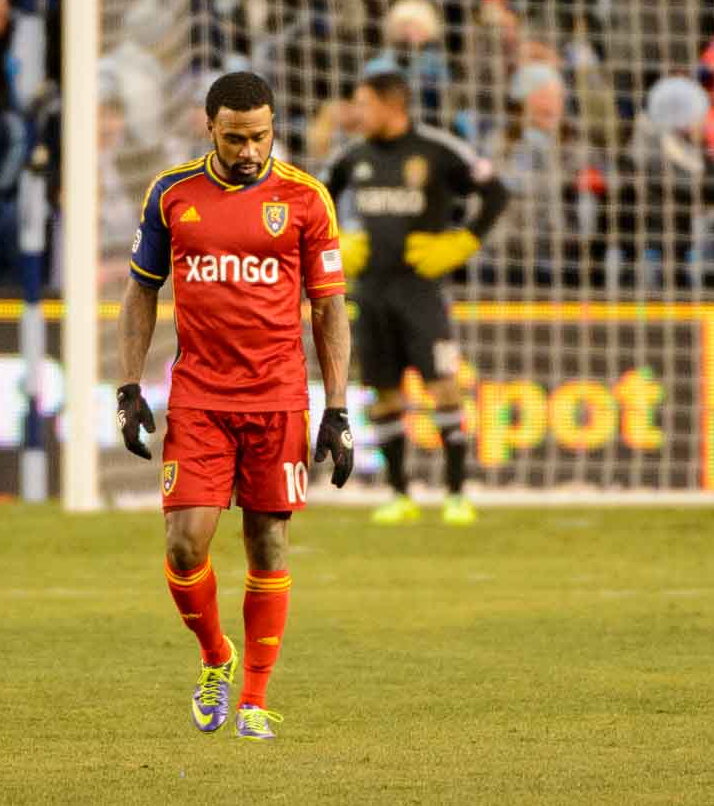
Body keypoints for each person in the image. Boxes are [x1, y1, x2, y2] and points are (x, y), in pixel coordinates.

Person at [116, 71, 354, 741]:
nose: (249, 150)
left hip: (278, 398)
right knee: (185, 543)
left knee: (268, 544)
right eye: (235, 137)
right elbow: (140, 293)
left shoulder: (306, 199)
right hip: (199, 397)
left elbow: (329, 308)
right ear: (208, 127)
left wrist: (336, 410)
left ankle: (253, 699)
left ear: (274, 127)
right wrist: (128, 388)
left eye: (261, 136)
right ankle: (216, 657)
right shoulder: (171, 194)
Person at [324, 69, 509, 525]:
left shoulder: (438, 150)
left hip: (421, 293)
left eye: (364, 104)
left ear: (393, 106)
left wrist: (463, 242)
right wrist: (335, 239)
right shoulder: (353, 157)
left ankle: (456, 494)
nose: (357, 113)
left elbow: (496, 192)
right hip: (369, 293)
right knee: (382, 393)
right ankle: (399, 494)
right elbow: (313, 200)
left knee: (443, 387)